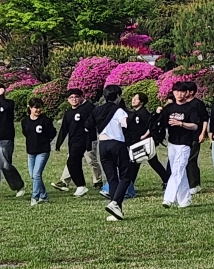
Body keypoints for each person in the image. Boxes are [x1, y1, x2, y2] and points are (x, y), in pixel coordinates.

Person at [160, 81, 205, 209]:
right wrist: (159, 112)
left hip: (184, 144)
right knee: (179, 172)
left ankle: (168, 199)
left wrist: (181, 123)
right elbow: (162, 123)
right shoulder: (169, 108)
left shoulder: (191, 108)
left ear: (186, 93)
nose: (179, 94)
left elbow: (195, 125)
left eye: (182, 92)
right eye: (177, 91)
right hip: (172, 143)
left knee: (178, 170)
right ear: (173, 92)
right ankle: (185, 200)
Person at [94, 84, 131, 221]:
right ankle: (115, 203)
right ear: (118, 96)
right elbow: (126, 124)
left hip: (102, 145)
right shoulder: (119, 111)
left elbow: (88, 126)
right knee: (126, 176)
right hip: (117, 144)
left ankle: (116, 211)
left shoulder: (97, 110)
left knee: (112, 178)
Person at [54, 88, 96, 197]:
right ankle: (81, 186)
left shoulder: (85, 110)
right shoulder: (68, 113)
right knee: (74, 163)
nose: (74, 99)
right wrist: (58, 143)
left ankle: (81, 185)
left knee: (72, 162)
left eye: (76, 97)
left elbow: (91, 124)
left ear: (81, 98)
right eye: (71, 97)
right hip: (72, 142)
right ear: (68, 100)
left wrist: (89, 142)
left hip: (82, 141)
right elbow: (64, 129)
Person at [124, 91, 165, 193]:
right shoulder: (135, 112)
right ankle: (130, 185)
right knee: (137, 163)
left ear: (141, 102)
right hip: (137, 142)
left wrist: (144, 136)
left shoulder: (143, 113)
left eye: (136, 98)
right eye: (133, 98)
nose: (133, 100)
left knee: (145, 162)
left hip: (143, 142)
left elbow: (151, 125)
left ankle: (130, 186)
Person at [20, 97, 54, 207]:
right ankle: (43, 196)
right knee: (33, 176)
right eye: (35, 108)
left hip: (43, 151)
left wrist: (45, 140)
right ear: (30, 108)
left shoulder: (45, 120)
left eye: (40, 108)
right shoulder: (24, 121)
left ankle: (34, 197)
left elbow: (52, 133)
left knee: (36, 174)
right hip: (31, 151)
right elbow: (26, 133)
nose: (38, 110)